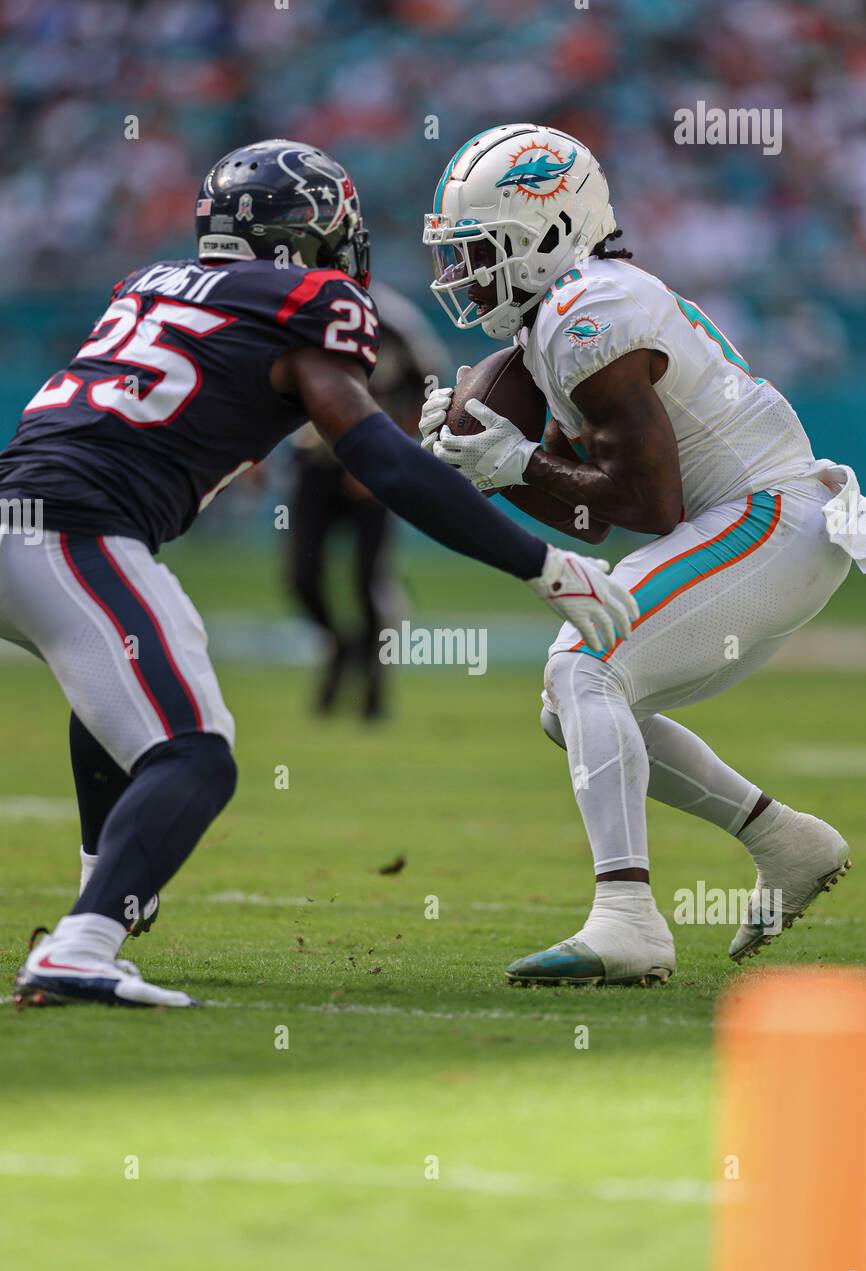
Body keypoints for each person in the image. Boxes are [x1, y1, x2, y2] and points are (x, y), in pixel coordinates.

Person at [0, 137, 636, 1008]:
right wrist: (542, 562)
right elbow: (382, 457)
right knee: (195, 755)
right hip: (76, 533)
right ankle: (82, 945)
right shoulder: (310, 299)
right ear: (311, 235)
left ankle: (101, 900)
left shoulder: (149, 283)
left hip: (25, 520)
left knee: (118, 693)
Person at [419, 122, 861, 986]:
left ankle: (628, 920)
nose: (465, 277)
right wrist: (499, 472)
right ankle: (785, 838)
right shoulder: (571, 311)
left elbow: (648, 505)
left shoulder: (593, 313)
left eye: (481, 251)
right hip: (761, 529)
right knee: (571, 700)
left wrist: (516, 461)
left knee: (584, 664)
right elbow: (592, 516)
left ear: (544, 234)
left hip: (771, 517)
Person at [287, 283, 448, 719]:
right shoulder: (304, 313)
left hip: (371, 466)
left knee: (367, 579)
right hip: (316, 459)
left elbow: (426, 392)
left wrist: (385, 451)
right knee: (302, 574)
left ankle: (374, 686)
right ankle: (341, 648)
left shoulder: (397, 322)